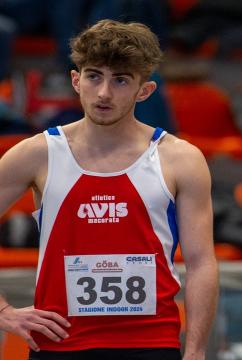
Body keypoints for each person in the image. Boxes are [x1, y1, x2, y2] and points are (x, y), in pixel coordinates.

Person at [0, 19, 218, 359]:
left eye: (120, 80)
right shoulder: (38, 153)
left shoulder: (181, 158)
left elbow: (202, 262)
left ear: (143, 90)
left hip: (152, 343)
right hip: (60, 343)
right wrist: (3, 313)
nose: (104, 93)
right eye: (94, 76)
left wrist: (196, 351)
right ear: (76, 80)